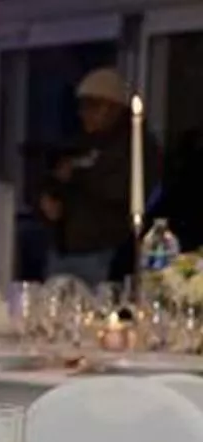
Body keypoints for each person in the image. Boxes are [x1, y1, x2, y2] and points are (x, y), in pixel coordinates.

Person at [39, 67, 160, 287]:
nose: (84, 113)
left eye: (92, 106)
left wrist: (78, 177)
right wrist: (48, 197)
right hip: (64, 249)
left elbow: (125, 190)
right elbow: (51, 177)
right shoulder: (79, 142)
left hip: (106, 252)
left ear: (113, 107)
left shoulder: (136, 146)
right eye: (82, 106)